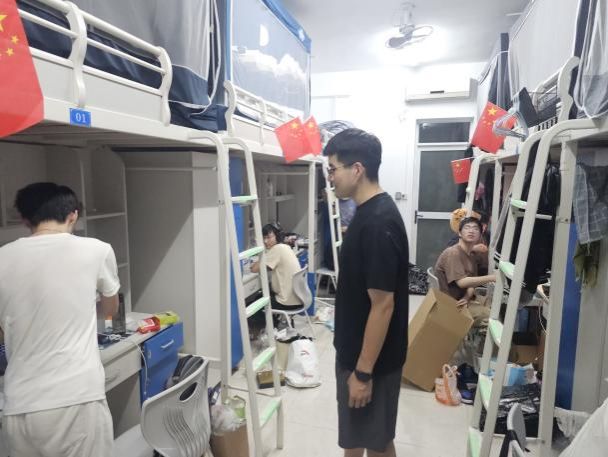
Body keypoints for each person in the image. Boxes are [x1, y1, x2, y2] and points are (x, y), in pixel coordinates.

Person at [0, 182, 120, 457]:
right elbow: (111, 310)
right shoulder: (97, 250)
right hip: (76, 399)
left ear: (25, 219)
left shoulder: (2, 257)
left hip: (19, 405)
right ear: (73, 215)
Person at [324, 128, 409, 457]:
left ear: (356, 169)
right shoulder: (367, 212)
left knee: (377, 441)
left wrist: (362, 373)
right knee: (357, 437)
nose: (330, 177)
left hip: (372, 363)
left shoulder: (377, 223)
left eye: (333, 169)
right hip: (357, 353)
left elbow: (383, 305)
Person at [434, 217, 495, 327]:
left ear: (480, 235)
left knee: (497, 305)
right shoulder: (453, 253)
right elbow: (462, 282)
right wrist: (493, 277)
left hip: (463, 300)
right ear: (459, 233)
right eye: (467, 227)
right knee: (494, 317)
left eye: (475, 228)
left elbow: (471, 284)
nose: (471, 231)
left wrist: (466, 297)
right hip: (452, 305)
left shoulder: (471, 255)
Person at [251, 223, 302, 311]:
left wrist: (262, 252)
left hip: (286, 302)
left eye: (268, 237)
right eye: (264, 238)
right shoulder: (285, 247)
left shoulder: (277, 249)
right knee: (261, 295)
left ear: (277, 236)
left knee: (257, 302)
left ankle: (270, 320)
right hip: (298, 298)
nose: (265, 241)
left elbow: (254, 269)